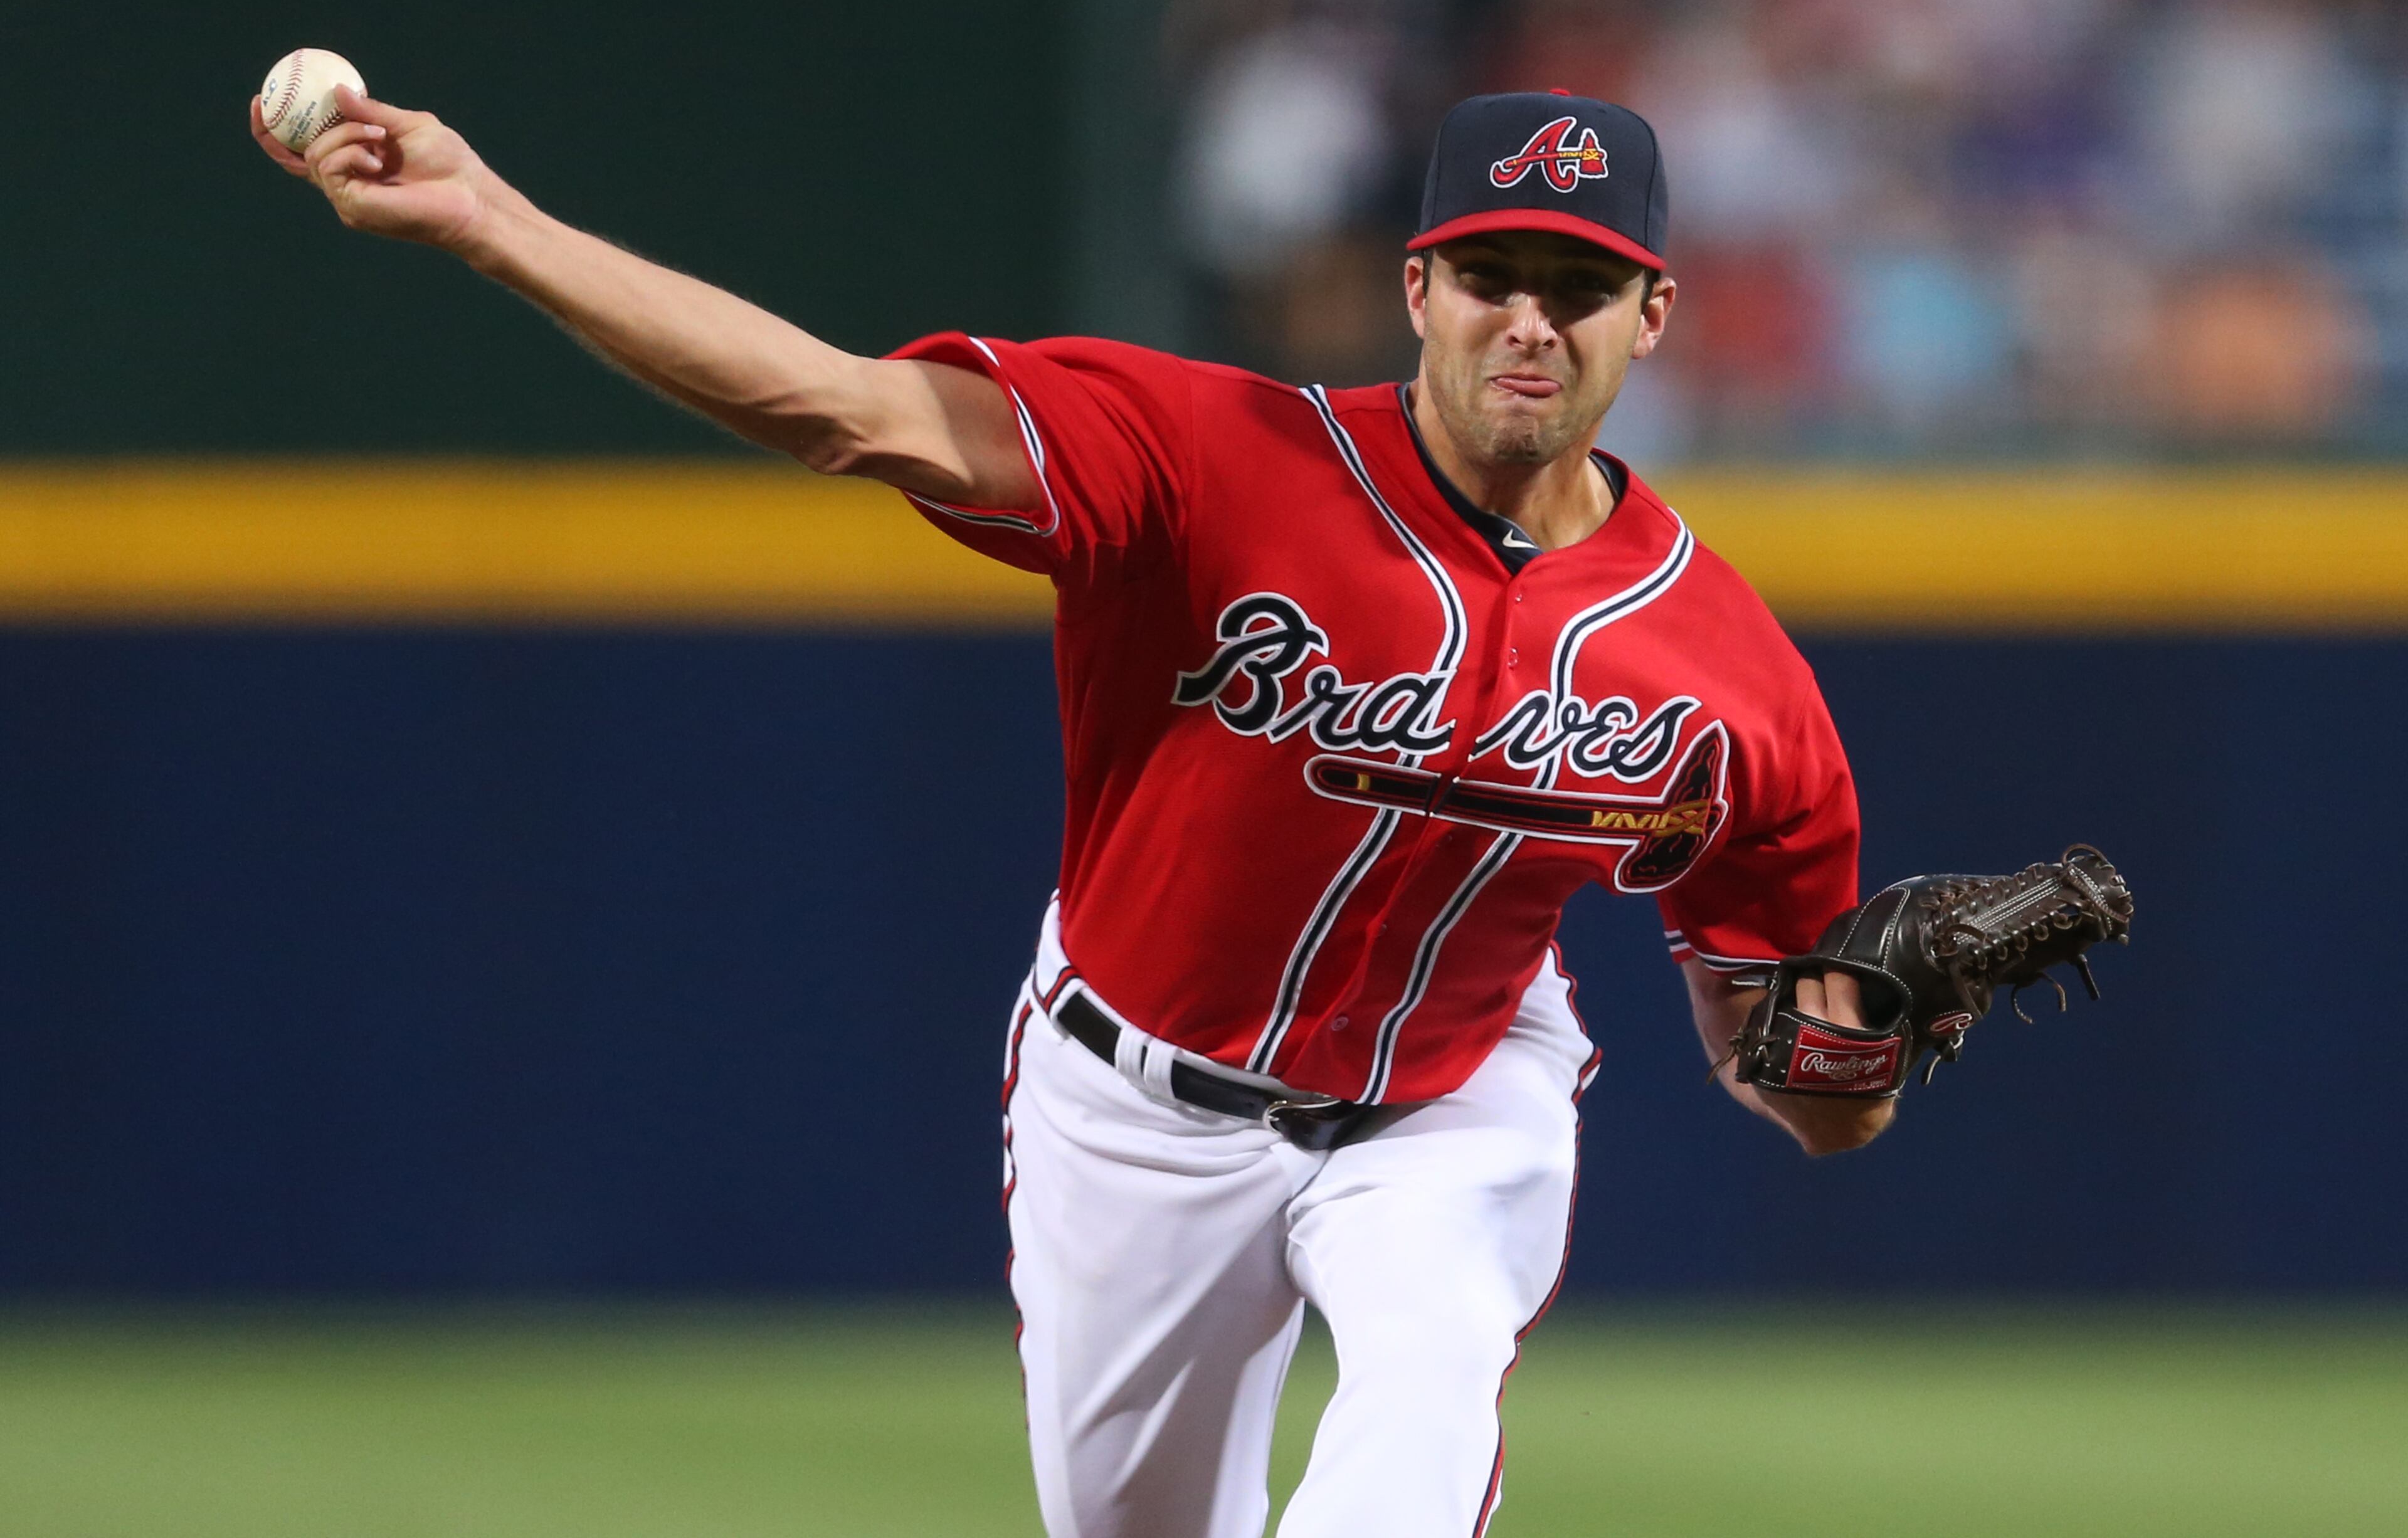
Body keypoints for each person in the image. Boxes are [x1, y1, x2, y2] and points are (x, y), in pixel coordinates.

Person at [253, 82, 1891, 1537]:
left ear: (1652, 312)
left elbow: (1799, 1071)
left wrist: (1860, 1041)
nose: (1531, 323)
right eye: (1492, 279)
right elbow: (846, 409)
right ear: (1419, 290)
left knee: (1430, 1377)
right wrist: (496, 226)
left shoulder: (1730, 675)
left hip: (1450, 1099)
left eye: (1582, 287)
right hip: (1135, 1101)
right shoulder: (1211, 457)